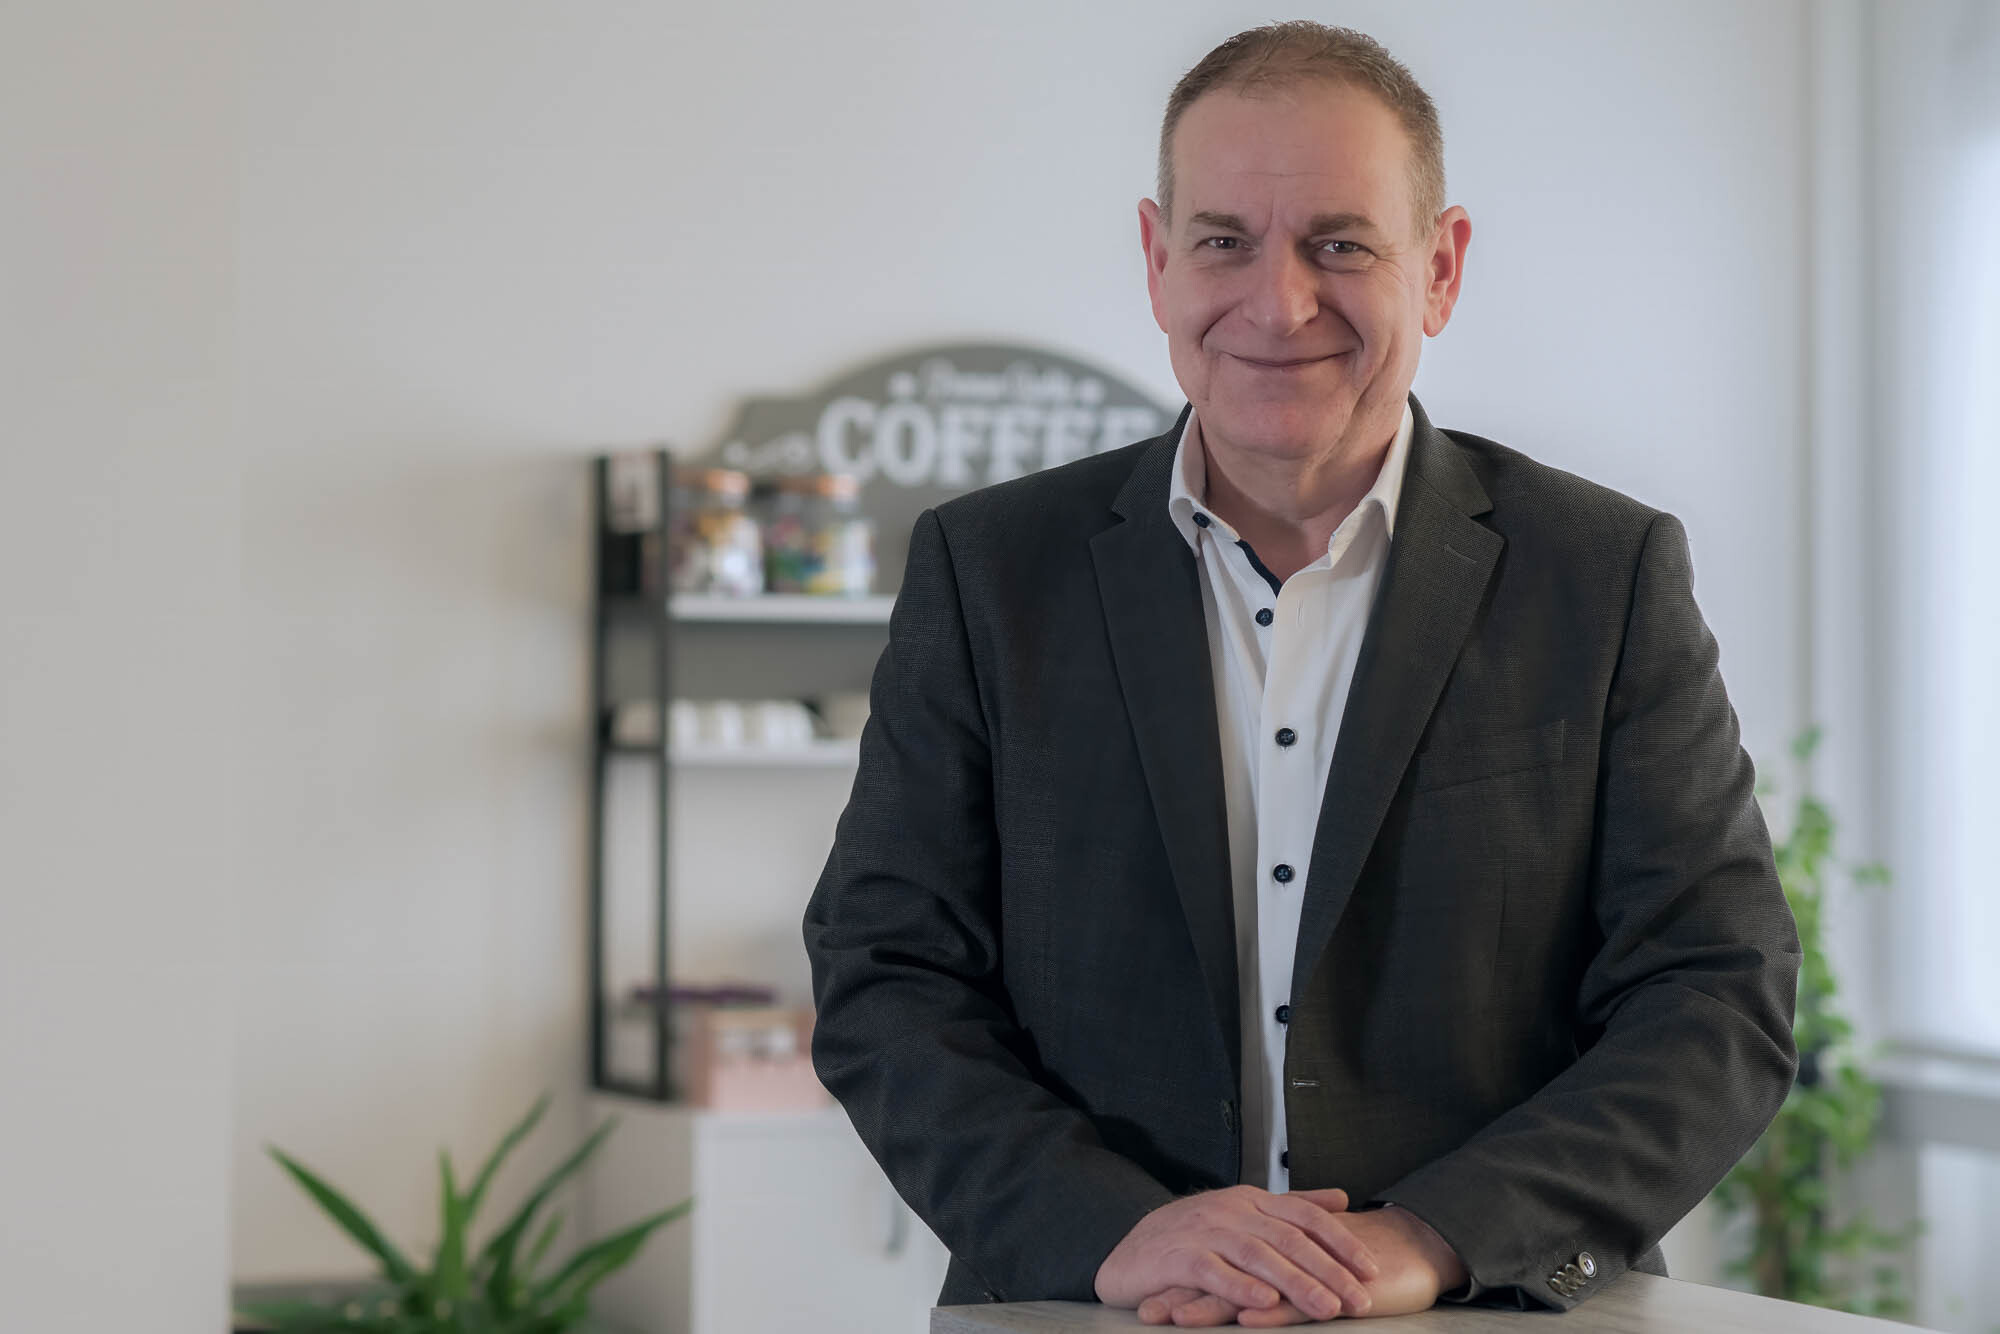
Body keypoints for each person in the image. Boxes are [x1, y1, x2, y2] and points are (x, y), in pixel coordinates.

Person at [803, 21, 1800, 1327]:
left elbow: (1717, 991)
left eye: (1340, 244)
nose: (1278, 305)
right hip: (1088, 1307)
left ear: (1439, 268)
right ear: (1158, 261)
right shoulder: (989, 571)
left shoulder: (1602, 576)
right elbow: (886, 968)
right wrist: (1111, 1228)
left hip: (1476, 1309)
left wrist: (1438, 1236)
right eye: (1225, 240)